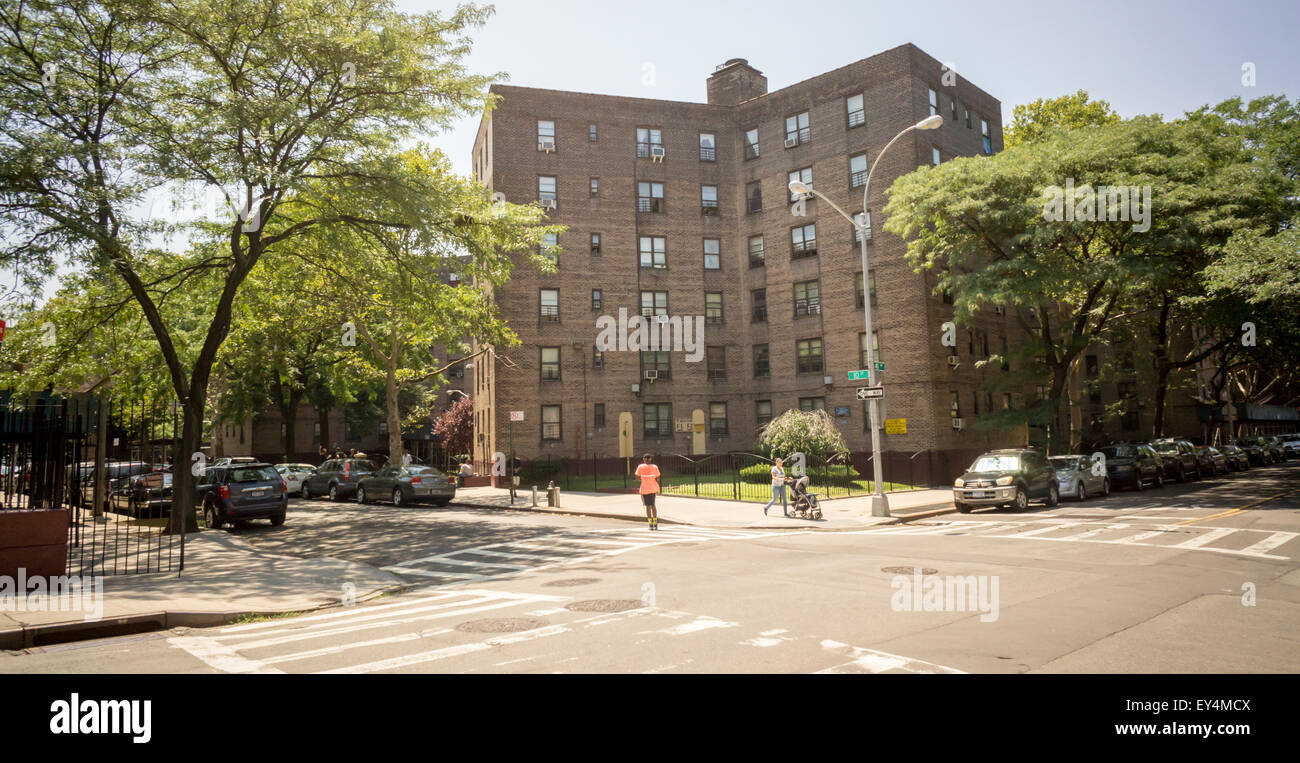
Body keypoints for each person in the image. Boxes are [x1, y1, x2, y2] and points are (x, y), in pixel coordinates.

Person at [633, 453, 661, 531]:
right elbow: (658, 478)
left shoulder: (640, 467)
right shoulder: (654, 467)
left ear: (644, 459)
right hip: (653, 488)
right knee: (653, 505)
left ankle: (650, 524)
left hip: (645, 489)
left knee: (647, 507)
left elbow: (637, 477)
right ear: (650, 459)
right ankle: (655, 523)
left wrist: (644, 479)